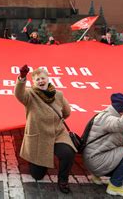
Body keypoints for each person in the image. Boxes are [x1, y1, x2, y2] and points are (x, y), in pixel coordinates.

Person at [14, 65, 76, 193]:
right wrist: (22, 77)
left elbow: (67, 112)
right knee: (38, 175)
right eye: (37, 79)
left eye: (43, 78)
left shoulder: (58, 94)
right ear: (33, 82)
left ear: (48, 79)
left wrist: (55, 122)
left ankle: (63, 180)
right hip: (39, 136)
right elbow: (19, 94)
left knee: (68, 153)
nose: (41, 81)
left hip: (57, 133)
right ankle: (40, 162)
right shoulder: (30, 95)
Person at [83, 90, 123, 197]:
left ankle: (96, 175)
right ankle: (114, 186)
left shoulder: (105, 114)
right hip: (96, 160)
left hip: (93, 159)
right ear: (121, 111)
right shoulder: (107, 118)